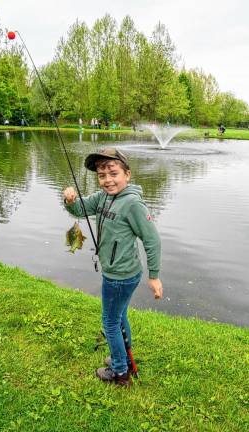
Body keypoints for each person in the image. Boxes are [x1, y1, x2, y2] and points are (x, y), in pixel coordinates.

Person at [63, 148, 162, 387]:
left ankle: (119, 372)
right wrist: (70, 200)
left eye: (113, 173)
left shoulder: (132, 204)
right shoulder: (104, 197)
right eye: (102, 175)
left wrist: (154, 276)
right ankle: (123, 358)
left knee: (110, 321)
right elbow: (81, 209)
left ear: (127, 174)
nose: (107, 180)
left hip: (121, 276)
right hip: (115, 273)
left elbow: (152, 240)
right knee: (118, 317)